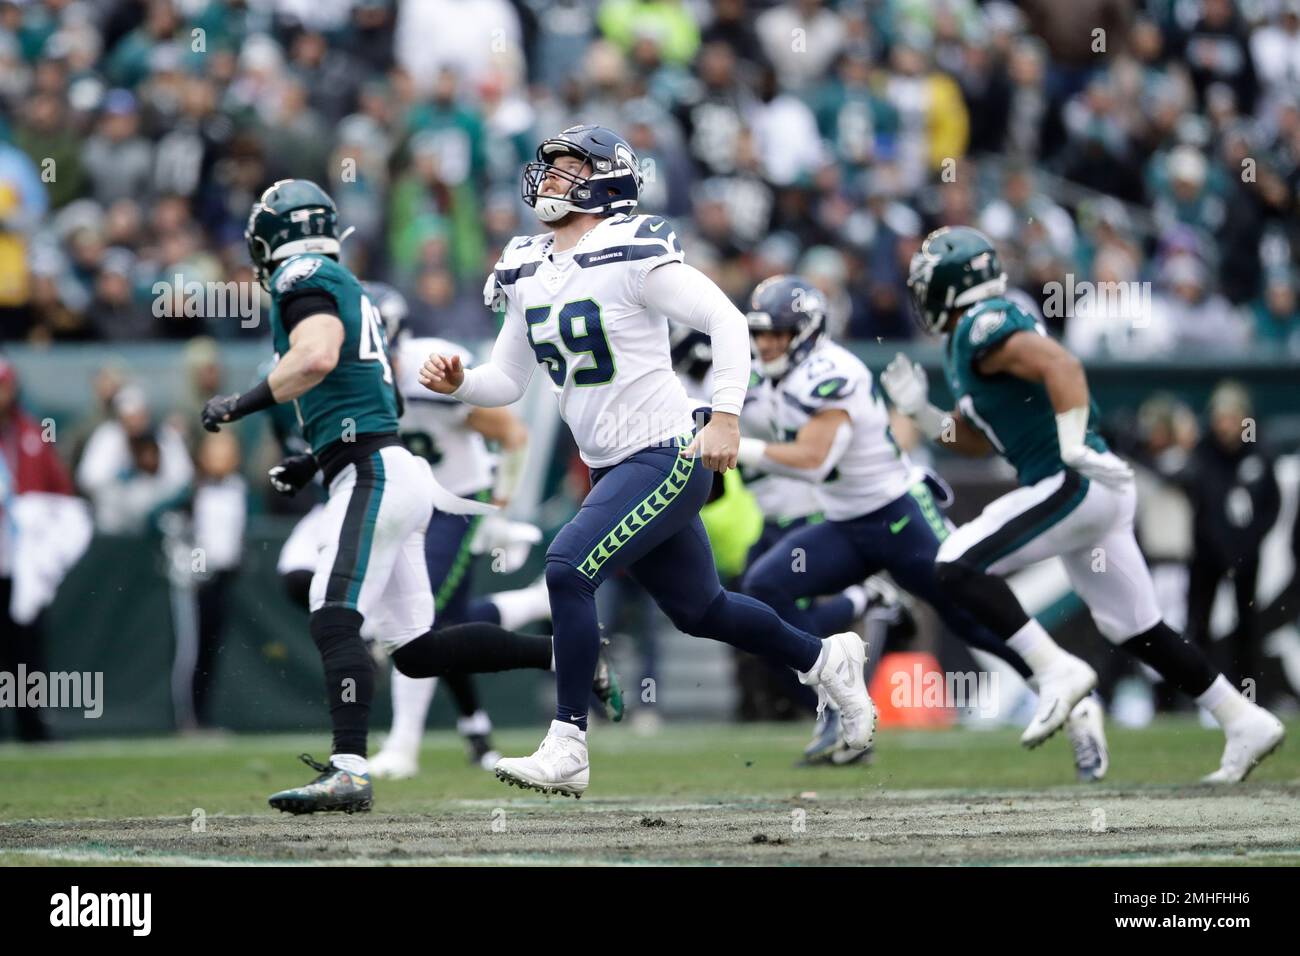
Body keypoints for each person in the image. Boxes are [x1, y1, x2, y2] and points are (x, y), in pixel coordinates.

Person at [420, 125, 876, 797]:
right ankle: (827, 658)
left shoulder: (629, 249)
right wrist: (459, 382)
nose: (550, 177)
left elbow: (725, 319)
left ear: (605, 179)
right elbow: (508, 381)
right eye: (549, 166)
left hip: (665, 453)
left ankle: (568, 744)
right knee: (703, 610)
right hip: (613, 464)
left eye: (569, 166)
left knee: (567, 566)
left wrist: (725, 414)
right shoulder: (524, 265)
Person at [885, 225, 1284, 783]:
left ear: (953, 284)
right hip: (1091, 491)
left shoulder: (982, 323)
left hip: (1074, 480)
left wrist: (1071, 441)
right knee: (1137, 627)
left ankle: (1056, 670)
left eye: (928, 285)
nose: (921, 297)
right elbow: (979, 434)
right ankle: (1242, 718)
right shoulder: (970, 335)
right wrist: (926, 416)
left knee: (955, 563)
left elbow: (1064, 368)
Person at [203, 179, 533, 813]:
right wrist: (308, 461)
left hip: (375, 474)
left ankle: (349, 769)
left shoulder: (303, 273)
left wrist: (241, 404)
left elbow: (318, 356)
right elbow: (370, 400)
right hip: (386, 467)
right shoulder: (344, 283)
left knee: (332, 611)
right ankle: (568, 654)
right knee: (416, 647)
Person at [736, 275, 1107, 779]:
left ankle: (1068, 692)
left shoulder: (830, 370)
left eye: (778, 333)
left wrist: (740, 446)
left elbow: (816, 460)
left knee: (971, 615)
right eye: (760, 334)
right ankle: (842, 707)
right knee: (765, 587)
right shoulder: (763, 376)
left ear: (807, 332)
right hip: (845, 524)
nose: (767, 344)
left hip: (896, 515)